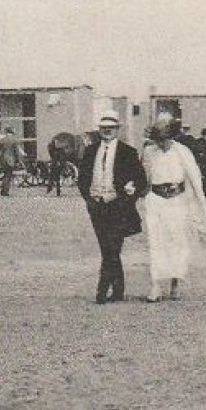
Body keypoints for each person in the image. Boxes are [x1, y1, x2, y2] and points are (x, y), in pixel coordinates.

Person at [139, 119, 206, 300]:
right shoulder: (148, 152)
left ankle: (175, 282)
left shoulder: (182, 151)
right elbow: (143, 177)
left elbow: (194, 178)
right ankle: (155, 285)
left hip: (177, 200)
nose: (161, 143)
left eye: (165, 139)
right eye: (158, 139)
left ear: (171, 136)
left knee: (176, 241)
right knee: (155, 242)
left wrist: (199, 202)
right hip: (155, 200)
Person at [77, 112, 148, 303]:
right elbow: (82, 178)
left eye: (111, 128)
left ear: (117, 130)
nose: (107, 131)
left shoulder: (128, 152)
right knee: (108, 250)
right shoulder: (91, 151)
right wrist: (89, 200)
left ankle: (101, 291)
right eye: (103, 128)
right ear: (99, 130)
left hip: (118, 208)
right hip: (97, 207)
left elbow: (140, 180)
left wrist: (127, 196)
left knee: (112, 248)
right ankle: (118, 290)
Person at [0, 127, 23, 197]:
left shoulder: (2, 140)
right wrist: (18, 160)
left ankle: (3, 190)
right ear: (11, 132)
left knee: (5, 175)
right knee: (8, 175)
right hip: (11, 160)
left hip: (3, 160)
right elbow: (16, 152)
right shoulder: (14, 140)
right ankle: (5, 191)